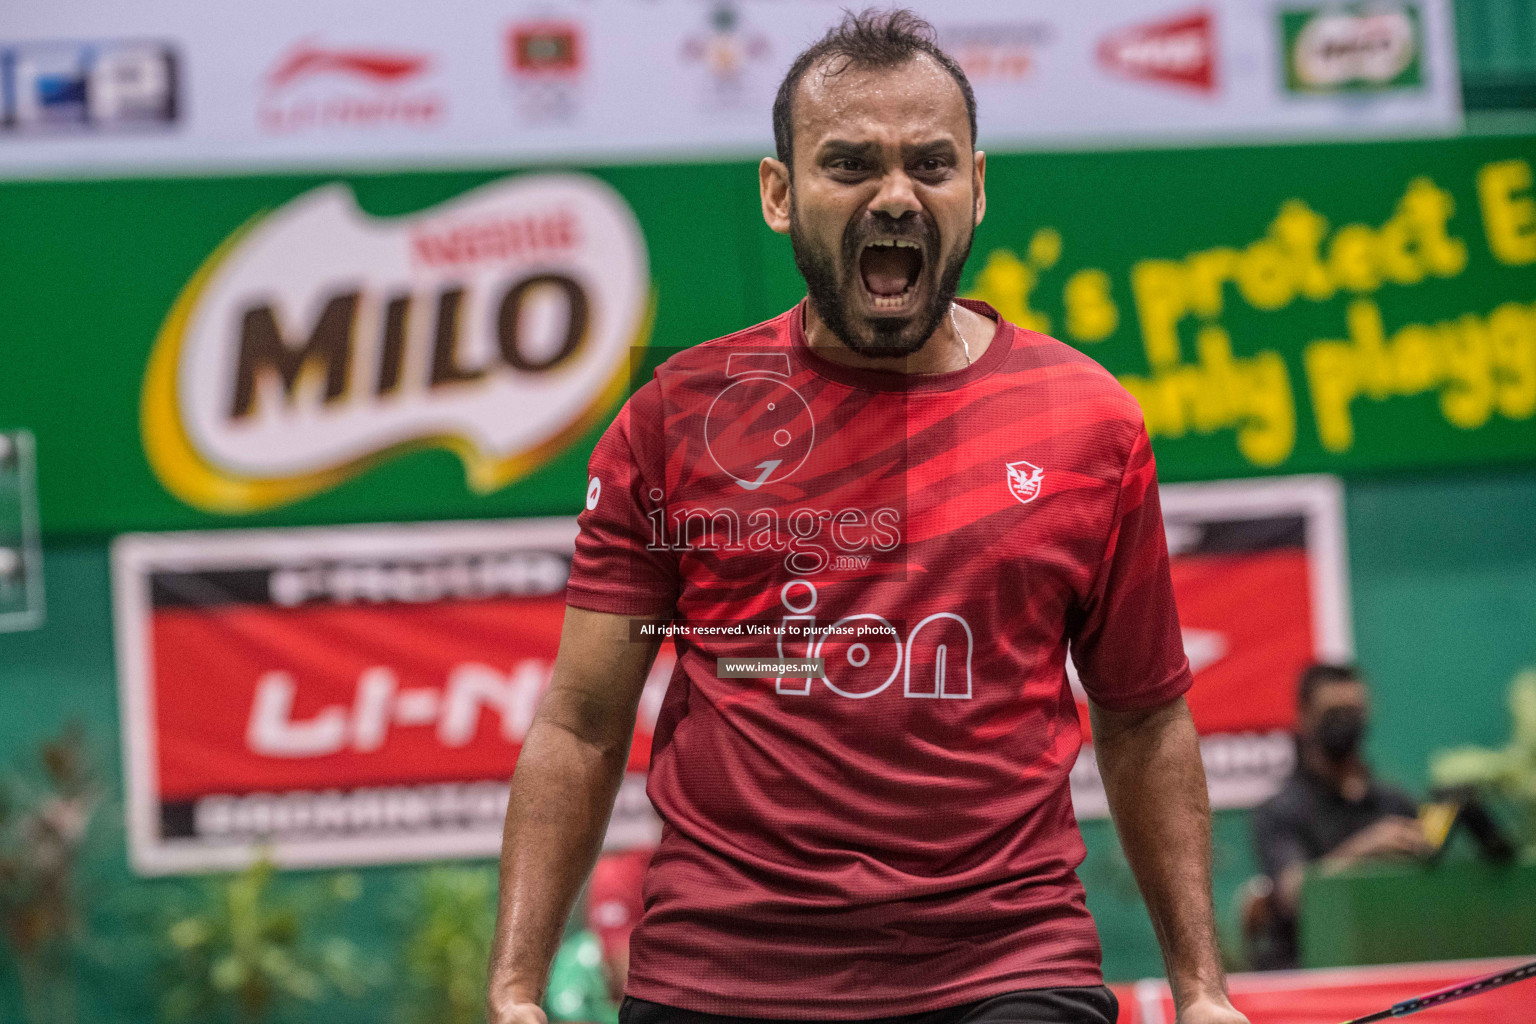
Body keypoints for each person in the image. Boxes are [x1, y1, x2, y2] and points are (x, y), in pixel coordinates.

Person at [489, 11, 1247, 1024]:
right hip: (722, 975)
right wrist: (514, 989)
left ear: (977, 186)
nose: (896, 194)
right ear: (778, 192)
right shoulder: (677, 417)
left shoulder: (1089, 423)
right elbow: (580, 722)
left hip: (1005, 965)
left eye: (929, 164)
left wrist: (1201, 991)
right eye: (850, 163)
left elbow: (1145, 713)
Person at [1248, 663, 1429, 970]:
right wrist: (1366, 850)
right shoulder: (1280, 811)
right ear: (1305, 716)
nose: (1346, 722)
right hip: (1308, 973)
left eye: (1354, 711)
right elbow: (1295, 894)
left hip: (1390, 964)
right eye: (1333, 712)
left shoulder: (1394, 803)